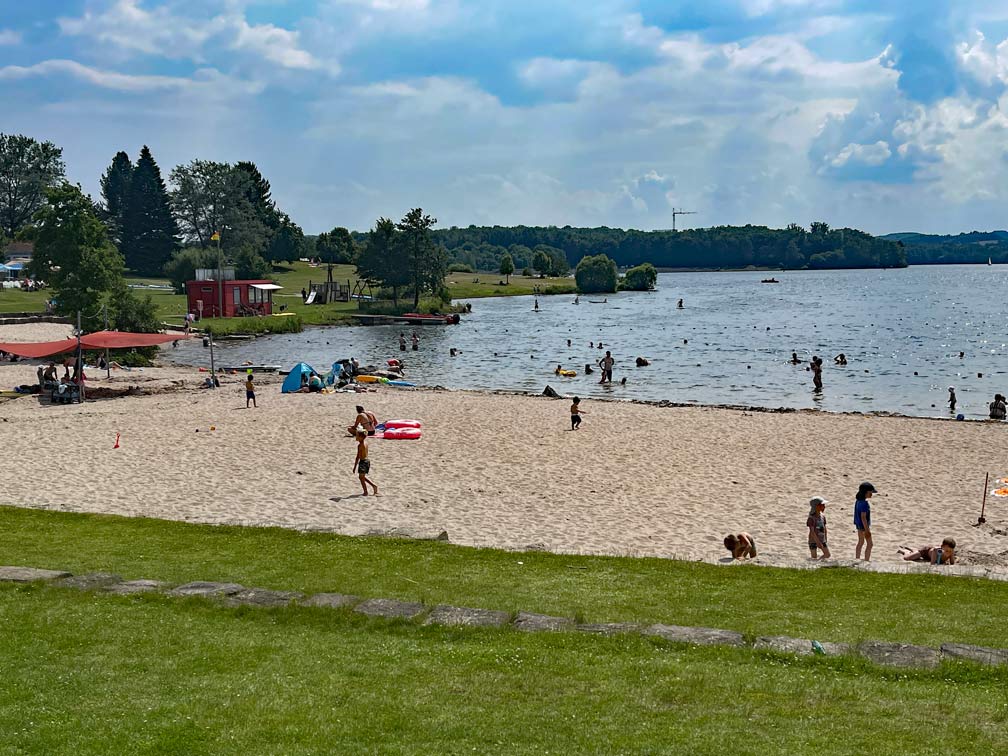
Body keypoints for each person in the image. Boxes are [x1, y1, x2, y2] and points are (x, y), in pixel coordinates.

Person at [854, 481, 876, 561]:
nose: (871, 494)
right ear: (866, 492)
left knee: (860, 542)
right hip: (864, 527)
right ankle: (866, 560)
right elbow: (863, 517)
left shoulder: (858, 501)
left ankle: (857, 559)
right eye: (870, 492)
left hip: (859, 526)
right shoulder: (865, 503)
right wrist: (867, 530)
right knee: (870, 544)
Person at [353, 428, 378, 496]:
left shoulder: (360, 445)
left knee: (361, 478)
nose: (356, 437)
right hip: (367, 461)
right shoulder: (366, 443)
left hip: (363, 462)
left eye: (357, 436)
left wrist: (355, 467)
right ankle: (373, 486)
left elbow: (357, 457)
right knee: (362, 477)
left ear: (361, 437)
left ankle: (366, 491)